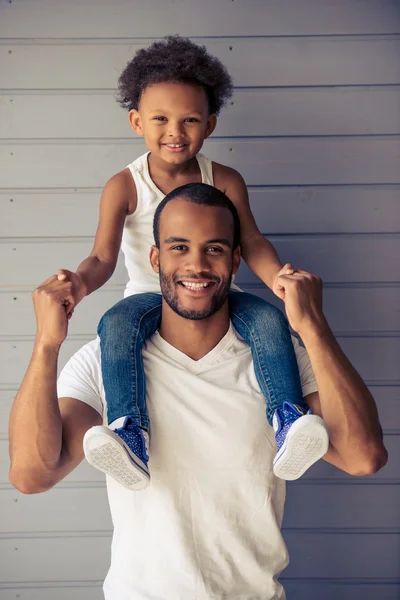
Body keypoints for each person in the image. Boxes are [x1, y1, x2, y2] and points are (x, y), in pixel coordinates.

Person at [9, 184, 387, 600]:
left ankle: (287, 420)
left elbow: (362, 457)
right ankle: (130, 430)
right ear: (155, 258)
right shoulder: (107, 359)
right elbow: (32, 475)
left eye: (214, 249)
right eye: (178, 247)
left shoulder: (278, 357)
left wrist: (312, 325)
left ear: (235, 259)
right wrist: (47, 343)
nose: (197, 265)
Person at [55, 35, 328, 490]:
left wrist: (277, 277)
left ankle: (286, 418)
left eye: (190, 120)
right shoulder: (124, 185)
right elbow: (103, 256)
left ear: (211, 124)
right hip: (149, 297)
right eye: (160, 119)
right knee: (116, 327)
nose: (175, 132)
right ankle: (129, 432)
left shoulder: (224, 178)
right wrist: (79, 284)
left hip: (217, 293)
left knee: (268, 321)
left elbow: (252, 239)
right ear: (136, 121)